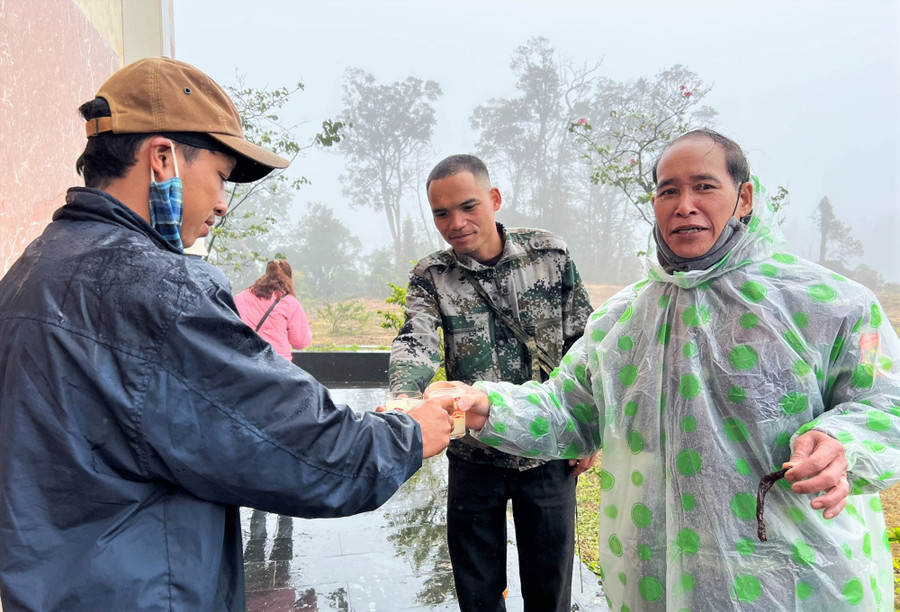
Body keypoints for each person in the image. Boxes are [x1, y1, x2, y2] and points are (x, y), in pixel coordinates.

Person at [0, 57, 454, 611]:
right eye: (218, 175)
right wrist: (410, 433)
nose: (220, 203)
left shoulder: (29, 271)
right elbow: (308, 451)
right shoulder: (162, 290)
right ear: (162, 157)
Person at [449, 130, 900, 610]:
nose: (684, 205)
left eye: (704, 186)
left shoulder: (824, 304)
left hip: (791, 576)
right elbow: (569, 409)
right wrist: (485, 405)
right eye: (669, 191)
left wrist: (841, 442)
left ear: (744, 197)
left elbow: (884, 402)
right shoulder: (621, 321)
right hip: (656, 572)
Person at [389, 154, 597, 611]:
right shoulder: (432, 275)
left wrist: (589, 428)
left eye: (468, 207)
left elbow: (583, 343)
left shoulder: (550, 254)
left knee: (550, 585)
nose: (456, 223)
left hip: (546, 448)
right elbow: (416, 338)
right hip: (474, 452)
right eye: (442, 213)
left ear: (495, 199)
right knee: (477, 588)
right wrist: (405, 393)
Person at [235, 259, 313, 360]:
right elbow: (300, 342)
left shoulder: (240, 298)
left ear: (266, 273)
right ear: (288, 278)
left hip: (246, 361)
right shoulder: (289, 302)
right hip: (278, 365)